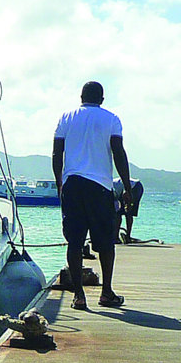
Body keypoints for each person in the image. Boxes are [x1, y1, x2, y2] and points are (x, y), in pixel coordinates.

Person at [52, 81, 132, 310]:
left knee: (74, 242)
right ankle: (106, 292)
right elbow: (118, 152)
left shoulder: (66, 118)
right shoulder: (111, 119)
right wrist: (126, 186)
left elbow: (57, 153)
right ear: (102, 99)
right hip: (99, 187)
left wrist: (60, 182)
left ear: (81, 97)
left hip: (73, 184)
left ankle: (79, 295)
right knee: (106, 243)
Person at [113, 178, 144, 243]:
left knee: (127, 212)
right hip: (127, 188)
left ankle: (126, 237)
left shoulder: (110, 189)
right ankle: (116, 237)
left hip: (135, 187)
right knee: (119, 213)